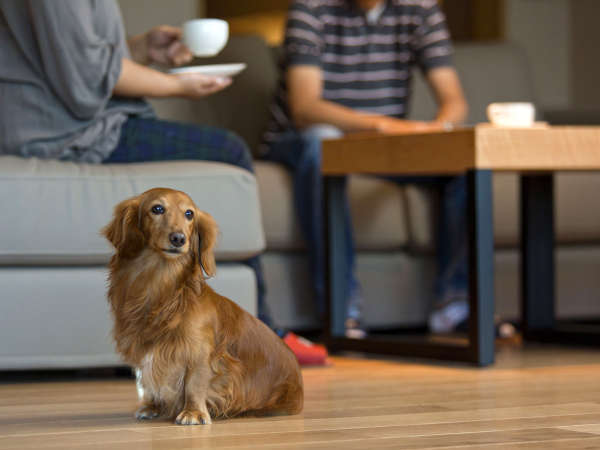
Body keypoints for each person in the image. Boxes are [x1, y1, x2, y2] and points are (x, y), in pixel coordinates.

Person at [0, 0, 328, 365]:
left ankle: (238, 330)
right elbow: (87, 75)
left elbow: (69, 50)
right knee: (228, 150)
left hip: (68, 120)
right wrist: (175, 86)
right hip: (64, 130)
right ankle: (261, 331)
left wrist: (141, 49)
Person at [261, 0, 472, 337]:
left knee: (465, 156)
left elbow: (455, 100)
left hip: (383, 146)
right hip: (303, 139)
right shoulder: (311, 7)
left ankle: (453, 302)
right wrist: (384, 127)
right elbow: (305, 107)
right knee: (323, 143)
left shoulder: (420, 8)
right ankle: (341, 309)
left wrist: (438, 132)